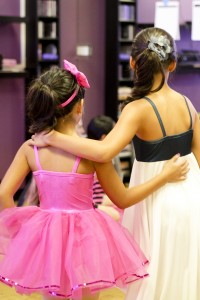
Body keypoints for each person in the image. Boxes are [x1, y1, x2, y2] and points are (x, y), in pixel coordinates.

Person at [31, 28, 200, 300]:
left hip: (156, 201)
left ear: (132, 63)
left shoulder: (137, 108)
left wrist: (52, 137)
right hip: (192, 199)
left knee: (152, 279)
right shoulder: (189, 105)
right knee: (182, 276)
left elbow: (103, 151)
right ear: (173, 64)